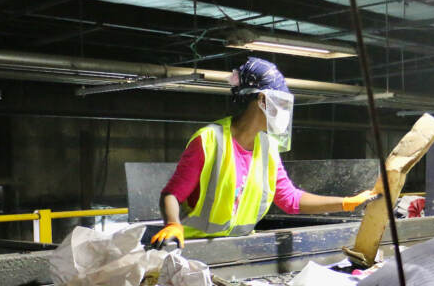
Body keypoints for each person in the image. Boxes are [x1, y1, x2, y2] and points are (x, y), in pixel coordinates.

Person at [150, 57, 379, 247]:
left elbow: (290, 199)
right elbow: (172, 194)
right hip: (194, 248)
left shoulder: (267, 148)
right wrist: (172, 224)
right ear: (262, 99)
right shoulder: (209, 139)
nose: (284, 112)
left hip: (237, 249)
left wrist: (347, 203)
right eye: (280, 103)